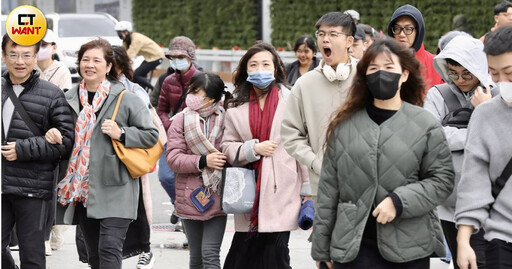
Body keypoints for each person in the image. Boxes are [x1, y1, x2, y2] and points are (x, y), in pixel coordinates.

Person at [312, 38, 454, 269]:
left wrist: (400, 201)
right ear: (365, 76)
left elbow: (442, 180)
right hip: (352, 245)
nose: (381, 74)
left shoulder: (425, 123)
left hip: (410, 244)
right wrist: (321, 247)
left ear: (405, 74)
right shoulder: (344, 125)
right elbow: (329, 190)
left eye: (389, 68)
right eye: (374, 68)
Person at [54, 38, 159, 269]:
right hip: (83, 191)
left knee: (109, 250)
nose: (89, 65)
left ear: (109, 66)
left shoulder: (126, 98)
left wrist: (122, 133)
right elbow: (60, 133)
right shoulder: (67, 98)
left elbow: (152, 135)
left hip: (117, 187)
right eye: (85, 60)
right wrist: (52, 132)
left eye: (96, 60)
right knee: (94, 256)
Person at [221, 42, 311, 269]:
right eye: (253, 65)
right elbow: (226, 146)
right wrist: (252, 149)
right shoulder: (235, 104)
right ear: (246, 70)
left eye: (265, 64)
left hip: (283, 188)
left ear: (275, 68)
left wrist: (308, 191)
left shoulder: (292, 100)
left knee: (276, 257)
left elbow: (302, 145)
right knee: (240, 259)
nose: (260, 69)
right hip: (248, 192)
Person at [1, 33, 74, 269]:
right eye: (13, 54)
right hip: (1, 184)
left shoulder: (52, 93)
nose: (19, 61)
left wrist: (23, 149)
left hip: (33, 187)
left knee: (32, 255)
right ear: (3, 56)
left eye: (26, 55)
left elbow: (66, 142)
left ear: (36, 57)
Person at [424, 35, 497, 269]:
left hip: (490, 201)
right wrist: (475, 135)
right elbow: (430, 137)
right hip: (449, 201)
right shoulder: (438, 94)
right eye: (453, 73)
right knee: (461, 262)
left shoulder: (496, 94)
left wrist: (484, 109)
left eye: (467, 74)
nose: (460, 80)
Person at [281, 12, 357, 201]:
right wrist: (315, 163)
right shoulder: (304, 84)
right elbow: (290, 135)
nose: (325, 39)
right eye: (321, 34)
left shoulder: (367, 76)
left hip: (365, 185)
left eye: (333, 34)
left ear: (349, 41)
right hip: (322, 188)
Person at [455, 25, 512, 269]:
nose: (502, 82)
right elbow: (474, 180)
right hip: (501, 239)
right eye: (494, 74)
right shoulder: (485, 115)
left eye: (510, 73)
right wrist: (463, 239)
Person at [167, 72, 231, 269]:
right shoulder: (180, 120)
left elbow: (233, 150)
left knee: (210, 254)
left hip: (217, 195)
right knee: (196, 256)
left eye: (196, 92)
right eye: (191, 90)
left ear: (211, 99)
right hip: (189, 197)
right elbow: (173, 158)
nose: (190, 96)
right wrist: (204, 160)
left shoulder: (227, 120)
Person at [111, 45, 156, 269]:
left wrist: (122, 133)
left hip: (130, 159)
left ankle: (145, 250)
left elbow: (151, 131)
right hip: (103, 163)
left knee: (137, 208)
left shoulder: (134, 91)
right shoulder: (92, 90)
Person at [157, 36, 201, 223]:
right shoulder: (167, 81)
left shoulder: (202, 80)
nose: (176, 60)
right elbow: (161, 109)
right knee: (166, 176)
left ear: (190, 57)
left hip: (196, 136)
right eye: (173, 57)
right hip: (172, 136)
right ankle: (178, 205)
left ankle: (188, 215)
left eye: (181, 57)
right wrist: (170, 126)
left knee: (191, 180)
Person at [387, 4, 443, 92]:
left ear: (418, 31)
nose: (401, 34)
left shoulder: (436, 65)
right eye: (397, 28)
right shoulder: (383, 62)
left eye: (408, 29)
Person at [115, 21, 164, 91]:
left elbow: (129, 55)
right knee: (139, 75)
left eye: (120, 32)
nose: (119, 34)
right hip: (149, 58)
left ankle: (155, 90)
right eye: (118, 32)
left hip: (156, 57)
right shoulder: (126, 40)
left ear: (126, 32)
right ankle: (142, 91)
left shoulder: (136, 39)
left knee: (135, 75)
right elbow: (123, 53)